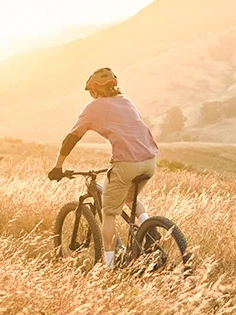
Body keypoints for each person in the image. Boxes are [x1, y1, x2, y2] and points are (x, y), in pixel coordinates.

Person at [49, 68, 161, 268]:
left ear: (94, 90)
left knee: (108, 214)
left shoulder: (94, 107)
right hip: (150, 161)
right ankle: (149, 227)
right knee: (130, 198)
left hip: (126, 164)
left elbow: (71, 138)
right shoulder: (126, 101)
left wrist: (58, 167)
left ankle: (109, 267)